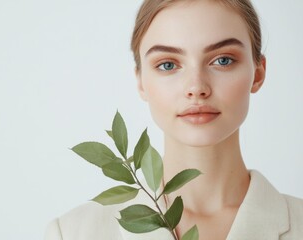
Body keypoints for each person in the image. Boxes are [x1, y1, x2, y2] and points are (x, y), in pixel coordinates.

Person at [44, 0, 303, 239]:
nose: (196, 87)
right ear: (141, 81)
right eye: (168, 64)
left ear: (258, 73)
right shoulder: (72, 233)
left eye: (222, 60)